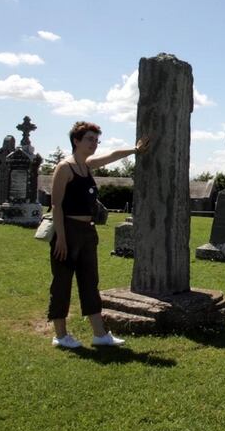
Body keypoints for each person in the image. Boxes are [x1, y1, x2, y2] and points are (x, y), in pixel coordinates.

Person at [48, 121, 149, 349]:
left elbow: (112, 156)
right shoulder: (65, 168)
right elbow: (56, 206)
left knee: (89, 282)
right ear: (76, 141)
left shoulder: (87, 166)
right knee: (62, 283)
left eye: (96, 140)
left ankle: (99, 334)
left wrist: (135, 150)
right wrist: (61, 239)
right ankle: (61, 335)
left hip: (87, 232)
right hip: (67, 230)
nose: (94, 144)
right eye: (89, 139)